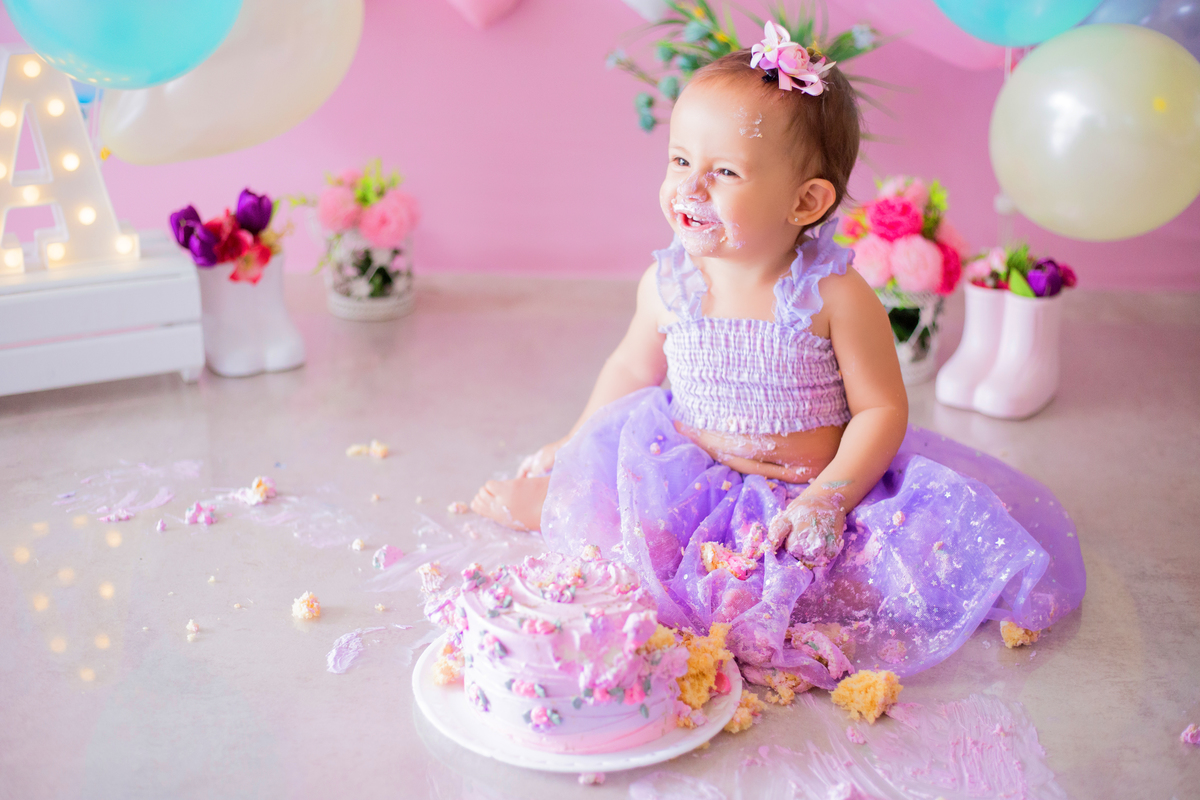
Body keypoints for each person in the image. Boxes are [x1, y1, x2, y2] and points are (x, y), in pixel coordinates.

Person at [471, 23, 1084, 690]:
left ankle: (803, 556)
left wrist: (829, 497)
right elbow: (630, 370)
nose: (689, 188)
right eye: (679, 162)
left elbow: (882, 407)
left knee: (863, 578)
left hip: (806, 496)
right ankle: (554, 498)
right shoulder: (669, 282)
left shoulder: (833, 294)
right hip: (688, 478)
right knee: (626, 531)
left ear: (806, 201)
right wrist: (573, 440)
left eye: (724, 172)